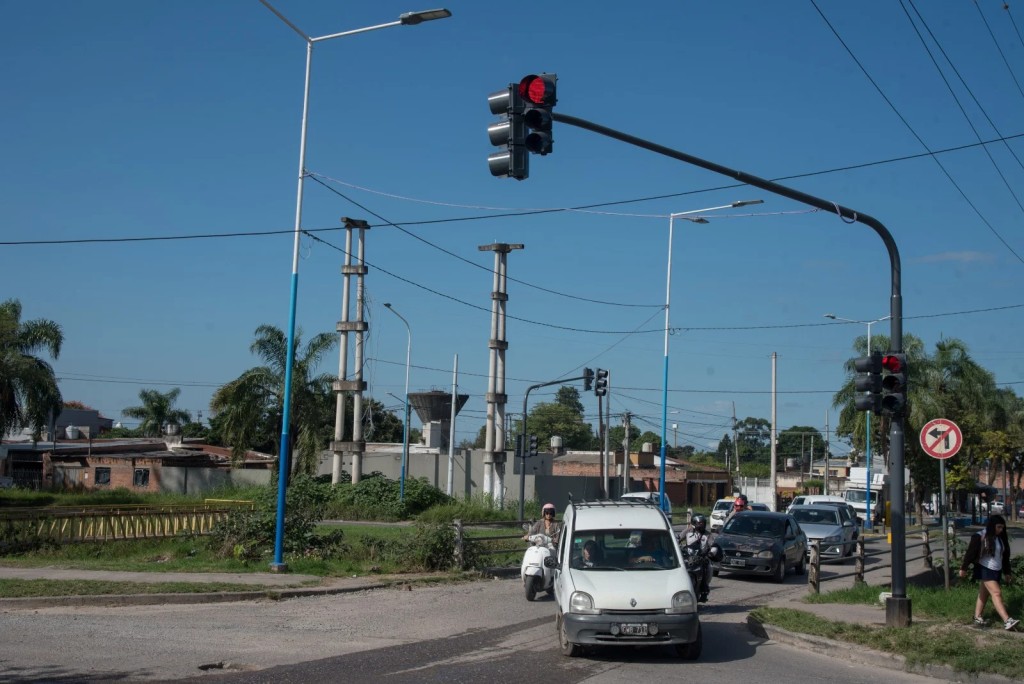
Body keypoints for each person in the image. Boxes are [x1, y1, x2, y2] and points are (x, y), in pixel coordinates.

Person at [959, 514, 1018, 630]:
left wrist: (1007, 572)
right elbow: (970, 553)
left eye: (1002, 527)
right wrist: (964, 568)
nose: (1001, 530)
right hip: (984, 568)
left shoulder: (1001, 538)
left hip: (997, 569)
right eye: (998, 527)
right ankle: (1007, 620)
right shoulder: (980, 536)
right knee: (996, 593)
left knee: (984, 593)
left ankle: (977, 616)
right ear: (992, 526)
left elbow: (1005, 556)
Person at [683, 514, 711, 601]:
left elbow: (712, 544)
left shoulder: (707, 534)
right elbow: (678, 538)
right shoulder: (688, 531)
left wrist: (711, 551)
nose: (701, 525)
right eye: (699, 523)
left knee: (706, 568)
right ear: (694, 523)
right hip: (688, 557)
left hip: (702, 558)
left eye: (703, 523)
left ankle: (704, 591)